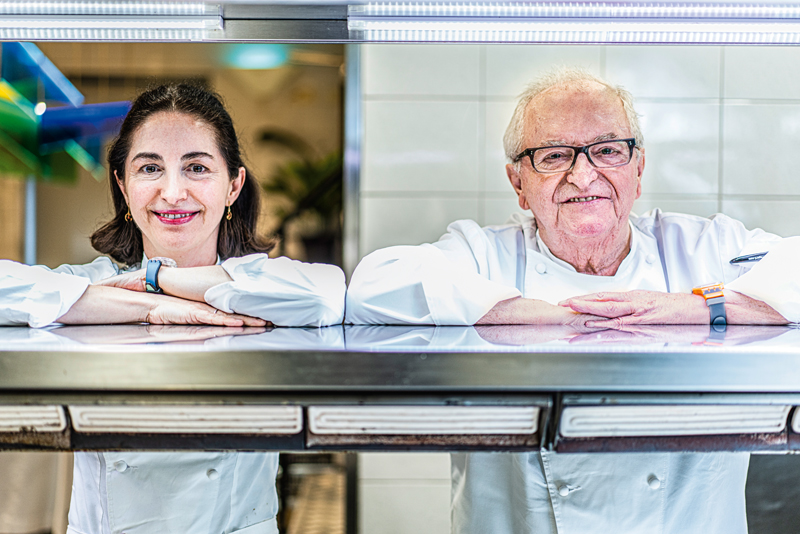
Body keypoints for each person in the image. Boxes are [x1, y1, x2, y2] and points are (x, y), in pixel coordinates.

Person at [346, 68, 800, 534]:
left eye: (606, 150)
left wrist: (702, 307)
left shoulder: (702, 247)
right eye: (554, 155)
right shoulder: (484, 255)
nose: (583, 176)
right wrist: (514, 311)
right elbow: (370, 285)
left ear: (638, 170)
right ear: (518, 183)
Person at [0, 83, 345, 534]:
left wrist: (156, 280)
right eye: (150, 168)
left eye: (197, 167)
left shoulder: (261, 284)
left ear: (233, 186)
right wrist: (144, 307)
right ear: (123, 185)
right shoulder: (91, 283)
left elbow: (327, 294)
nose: (173, 191)